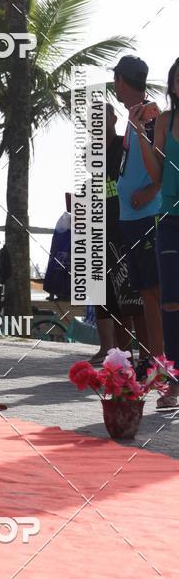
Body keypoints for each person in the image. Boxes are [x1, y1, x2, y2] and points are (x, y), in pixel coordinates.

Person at [131, 58, 179, 407]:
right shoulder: (166, 120)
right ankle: (174, 382)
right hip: (170, 219)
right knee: (170, 301)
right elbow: (157, 174)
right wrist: (139, 134)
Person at [114, 55, 163, 367]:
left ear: (120, 80)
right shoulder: (134, 115)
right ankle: (155, 359)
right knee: (146, 293)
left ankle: (162, 362)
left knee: (156, 292)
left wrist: (150, 190)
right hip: (131, 218)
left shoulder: (150, 113)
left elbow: (165, 163)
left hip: (148, 215)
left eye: (115, 79)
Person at [92, 104, 146, 364]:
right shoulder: (91, 154)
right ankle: (117, 356)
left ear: (113, 118)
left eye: (100, 118)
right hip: (100, 230)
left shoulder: (124, 146)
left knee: (132, 300)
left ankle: (140, 357)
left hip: (125, 226)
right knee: (106, 297)